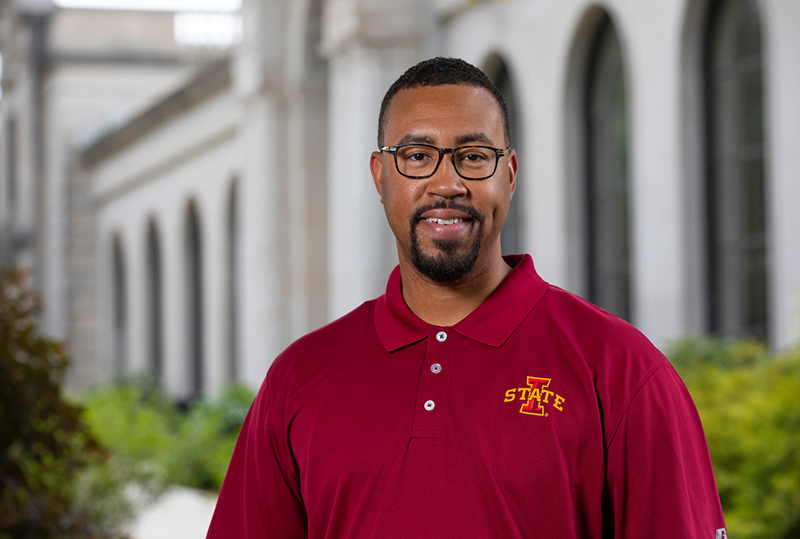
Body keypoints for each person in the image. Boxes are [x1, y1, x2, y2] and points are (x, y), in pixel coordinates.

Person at [206, 57, 726, 539]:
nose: (446, 183)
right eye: (416, 156)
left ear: (510, 174)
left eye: (474, 156)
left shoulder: (622, 370)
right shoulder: (299, 379)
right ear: (380, 175)